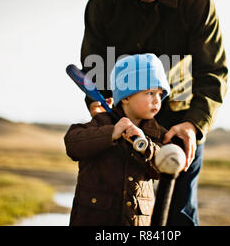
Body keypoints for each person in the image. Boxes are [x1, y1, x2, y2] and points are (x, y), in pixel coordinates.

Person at [80, 0, 228, 225]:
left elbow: (212, 71)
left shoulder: (197, 3)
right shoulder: (102, 4)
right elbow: (93, 66)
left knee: (179, 215)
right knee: (114, 210)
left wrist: (194, 124)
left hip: (179, 121)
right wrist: (99, 108)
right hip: (120, 120)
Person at [64, 53, 171, 226]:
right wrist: (111, 133)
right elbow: (73, 144)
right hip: (94, 219)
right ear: (126, 97)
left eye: (160, 94)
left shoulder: (157, 133)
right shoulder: (101, 122)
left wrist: (145, 146)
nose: (157, 100)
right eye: (150, 92)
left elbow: (164, 166)